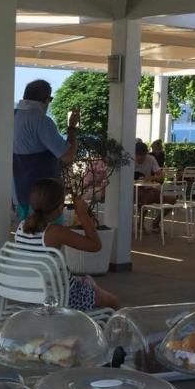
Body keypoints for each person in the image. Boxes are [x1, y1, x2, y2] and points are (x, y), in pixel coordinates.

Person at [14, 178, 120, 311]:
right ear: (59, 207)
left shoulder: (22, 226)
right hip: (63, 296)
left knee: (87, 282)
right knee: (113, 301)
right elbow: (95, 245)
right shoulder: (55, 232)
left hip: (32, 293)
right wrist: (83, 214)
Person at [13, 79, 78, 220]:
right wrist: (72, 128)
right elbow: (67, 156)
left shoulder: (13, 116)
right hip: (46, 199)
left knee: (26, 237)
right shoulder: (41, 121)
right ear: (45, 99)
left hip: (20, 193)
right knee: (49, 239)